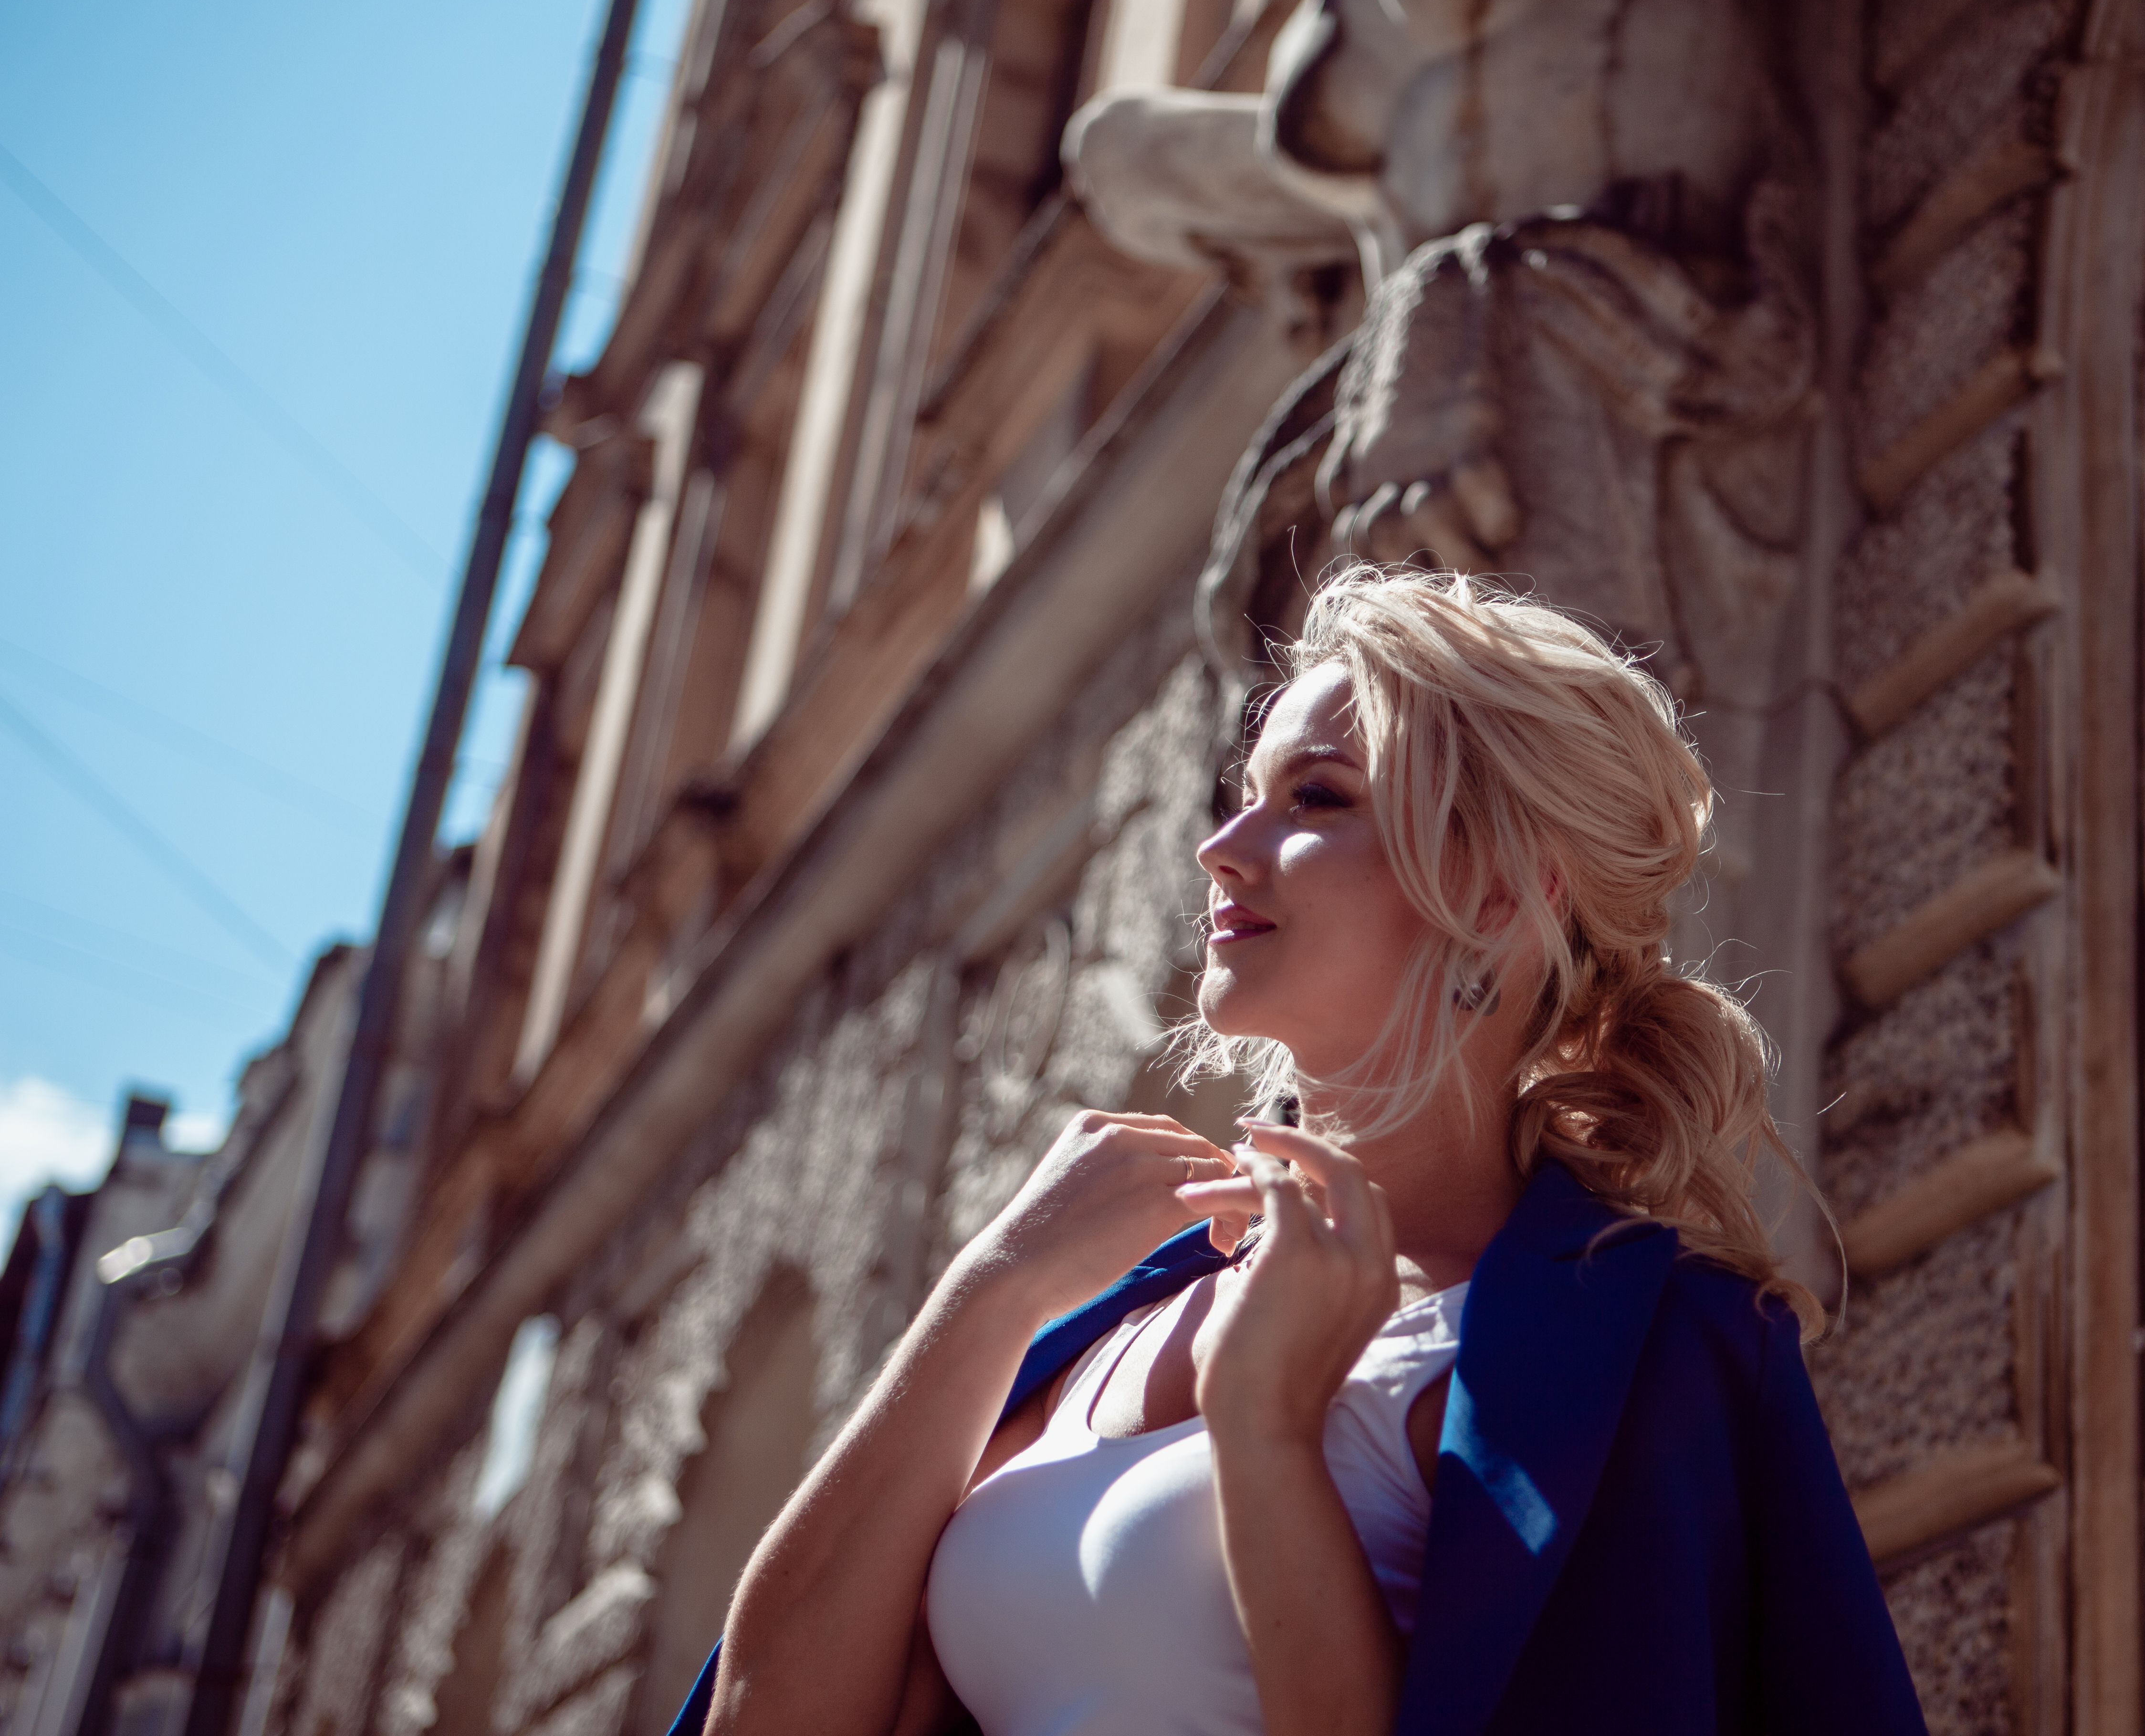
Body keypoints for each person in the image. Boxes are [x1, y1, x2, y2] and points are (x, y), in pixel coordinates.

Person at [672, 567, 1924, 1735]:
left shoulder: (1663, 1348)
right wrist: (990, 1291)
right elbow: (762, 1712)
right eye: (1243, 795)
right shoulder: (1106, 1307)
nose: (1222, 847)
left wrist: (1269, 1431)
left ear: (1496, 897)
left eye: (1315, 797)